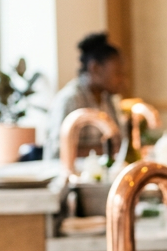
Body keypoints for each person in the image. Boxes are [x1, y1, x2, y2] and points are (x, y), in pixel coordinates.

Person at [47, 32, 124, 160]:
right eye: (117, 73)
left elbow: (118, 141)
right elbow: (58, 152)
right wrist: (107, 150)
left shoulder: (108, 99)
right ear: (95, 68)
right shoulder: (70, 99)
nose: (122, 79)